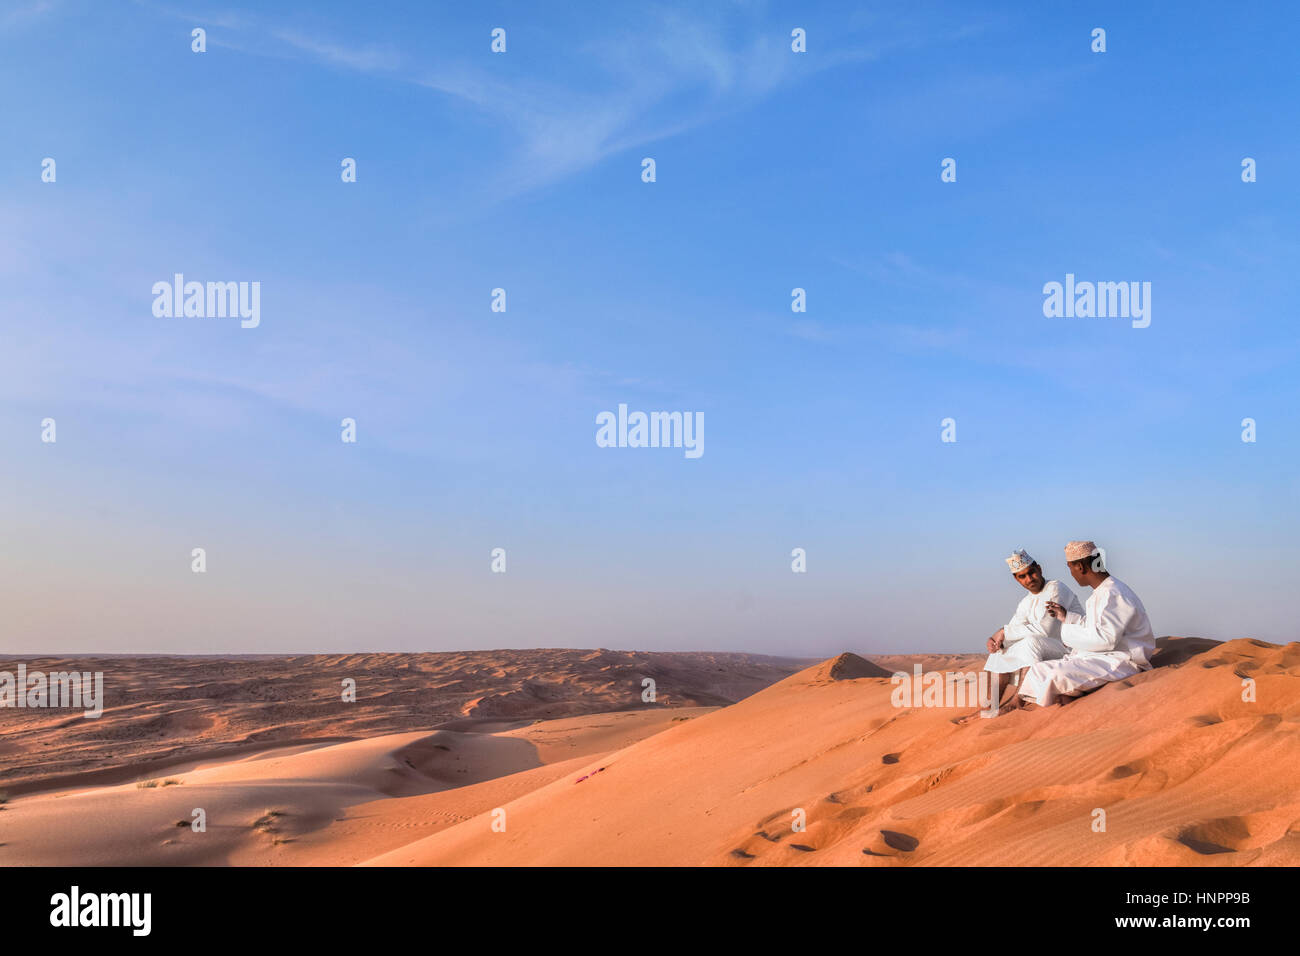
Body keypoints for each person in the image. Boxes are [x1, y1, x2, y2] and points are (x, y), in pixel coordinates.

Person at [1018, 540, 1156, 707]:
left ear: (1080, 567)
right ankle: (1061, 697)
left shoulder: (1113, 593)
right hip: (1101, 655)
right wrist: (1067, 617)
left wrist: (1066, 634)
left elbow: (1106, 639)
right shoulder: (1101, 592)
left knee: (1057, 675)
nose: (1071, 574)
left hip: (1123, 660)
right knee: (1038, 670)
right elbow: (1095, 625)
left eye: (1070, 568)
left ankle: (1065, 703)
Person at [957, 549, 1082, 721]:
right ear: (1016, 579)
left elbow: (1045, 628)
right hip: (1049, 651)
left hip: (1071, 650)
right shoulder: (1026, 602)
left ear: (1039, 569)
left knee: (1031, 642)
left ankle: (1018, 701)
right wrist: (997, 640)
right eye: (1022, 576)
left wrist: (1004, 632)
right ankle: (990, 706)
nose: (1029, 579)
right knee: (1001, 650)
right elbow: (1013, 628)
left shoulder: (1055, 588)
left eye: (1031, 573)